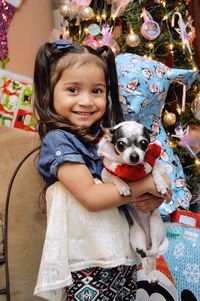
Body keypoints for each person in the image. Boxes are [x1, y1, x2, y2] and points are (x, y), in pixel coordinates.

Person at [33, 39, 172, 301]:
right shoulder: (58, 141)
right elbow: (91, 197)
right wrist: (145, 186)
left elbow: (161, 184)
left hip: (121, 249)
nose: (86, 101)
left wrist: (159, 192)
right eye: (73, 89)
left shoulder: (109, 138)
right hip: (87, 257)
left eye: (96, 91)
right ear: (48, 94)